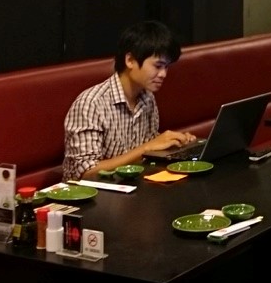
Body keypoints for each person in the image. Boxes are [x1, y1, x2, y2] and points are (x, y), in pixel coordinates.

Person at [62, 20, 198, 180]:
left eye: (166, 67)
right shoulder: (91, 104)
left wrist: (176, 143)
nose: (163, 74)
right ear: (130, 60)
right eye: (158, 66)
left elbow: (149, 149)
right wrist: (147, 148)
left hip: (131, 185)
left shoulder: (147, 97)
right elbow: (85, 173)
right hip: (93, 192)